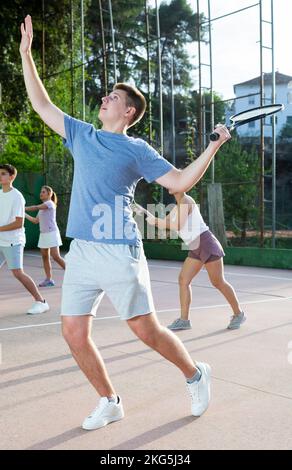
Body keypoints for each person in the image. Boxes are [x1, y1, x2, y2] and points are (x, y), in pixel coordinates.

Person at [20, 15, 230, 430]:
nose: (105, 98)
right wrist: (27, 55)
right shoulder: (81, 134)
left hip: (119, 248)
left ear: (128, 110)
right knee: (73, 334)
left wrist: (213, 146)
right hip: (81, 249)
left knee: (145, 330)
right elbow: (42, 104)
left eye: (112, 97)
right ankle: (110, 400)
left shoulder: (137, 149)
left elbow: (181, 181)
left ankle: (195, 373)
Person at [135, 191, 246, 331]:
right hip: (195, 245)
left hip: (206, 243)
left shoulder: (187, 200)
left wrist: (156, 221)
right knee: (183, 280)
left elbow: (177, 226)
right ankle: (184, 320)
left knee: (218, 282)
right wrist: (146, 213)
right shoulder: (177, 207)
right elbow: (166, 224)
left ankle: (238, 314)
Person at [0, 164, 50, 315]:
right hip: (0, 239)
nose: (0, 176)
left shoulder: (17, 197)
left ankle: (41, 302)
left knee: (18, 273)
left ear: (12, 177)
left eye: (3, 174)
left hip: (13, 241)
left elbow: (18, 223)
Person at [25, 185, 65, 287]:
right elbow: (35, 221)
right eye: (41, 192)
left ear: (49, 194)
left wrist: (22, 207)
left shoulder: (50, 203)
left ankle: (74, 276)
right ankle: (49, 279)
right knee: (45, 257)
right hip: (43, 234)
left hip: (52, 233)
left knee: (56, 256)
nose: (41, 193)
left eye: (43, 192)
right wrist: (23, 213)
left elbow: (35, 207)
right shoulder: (42, 207)